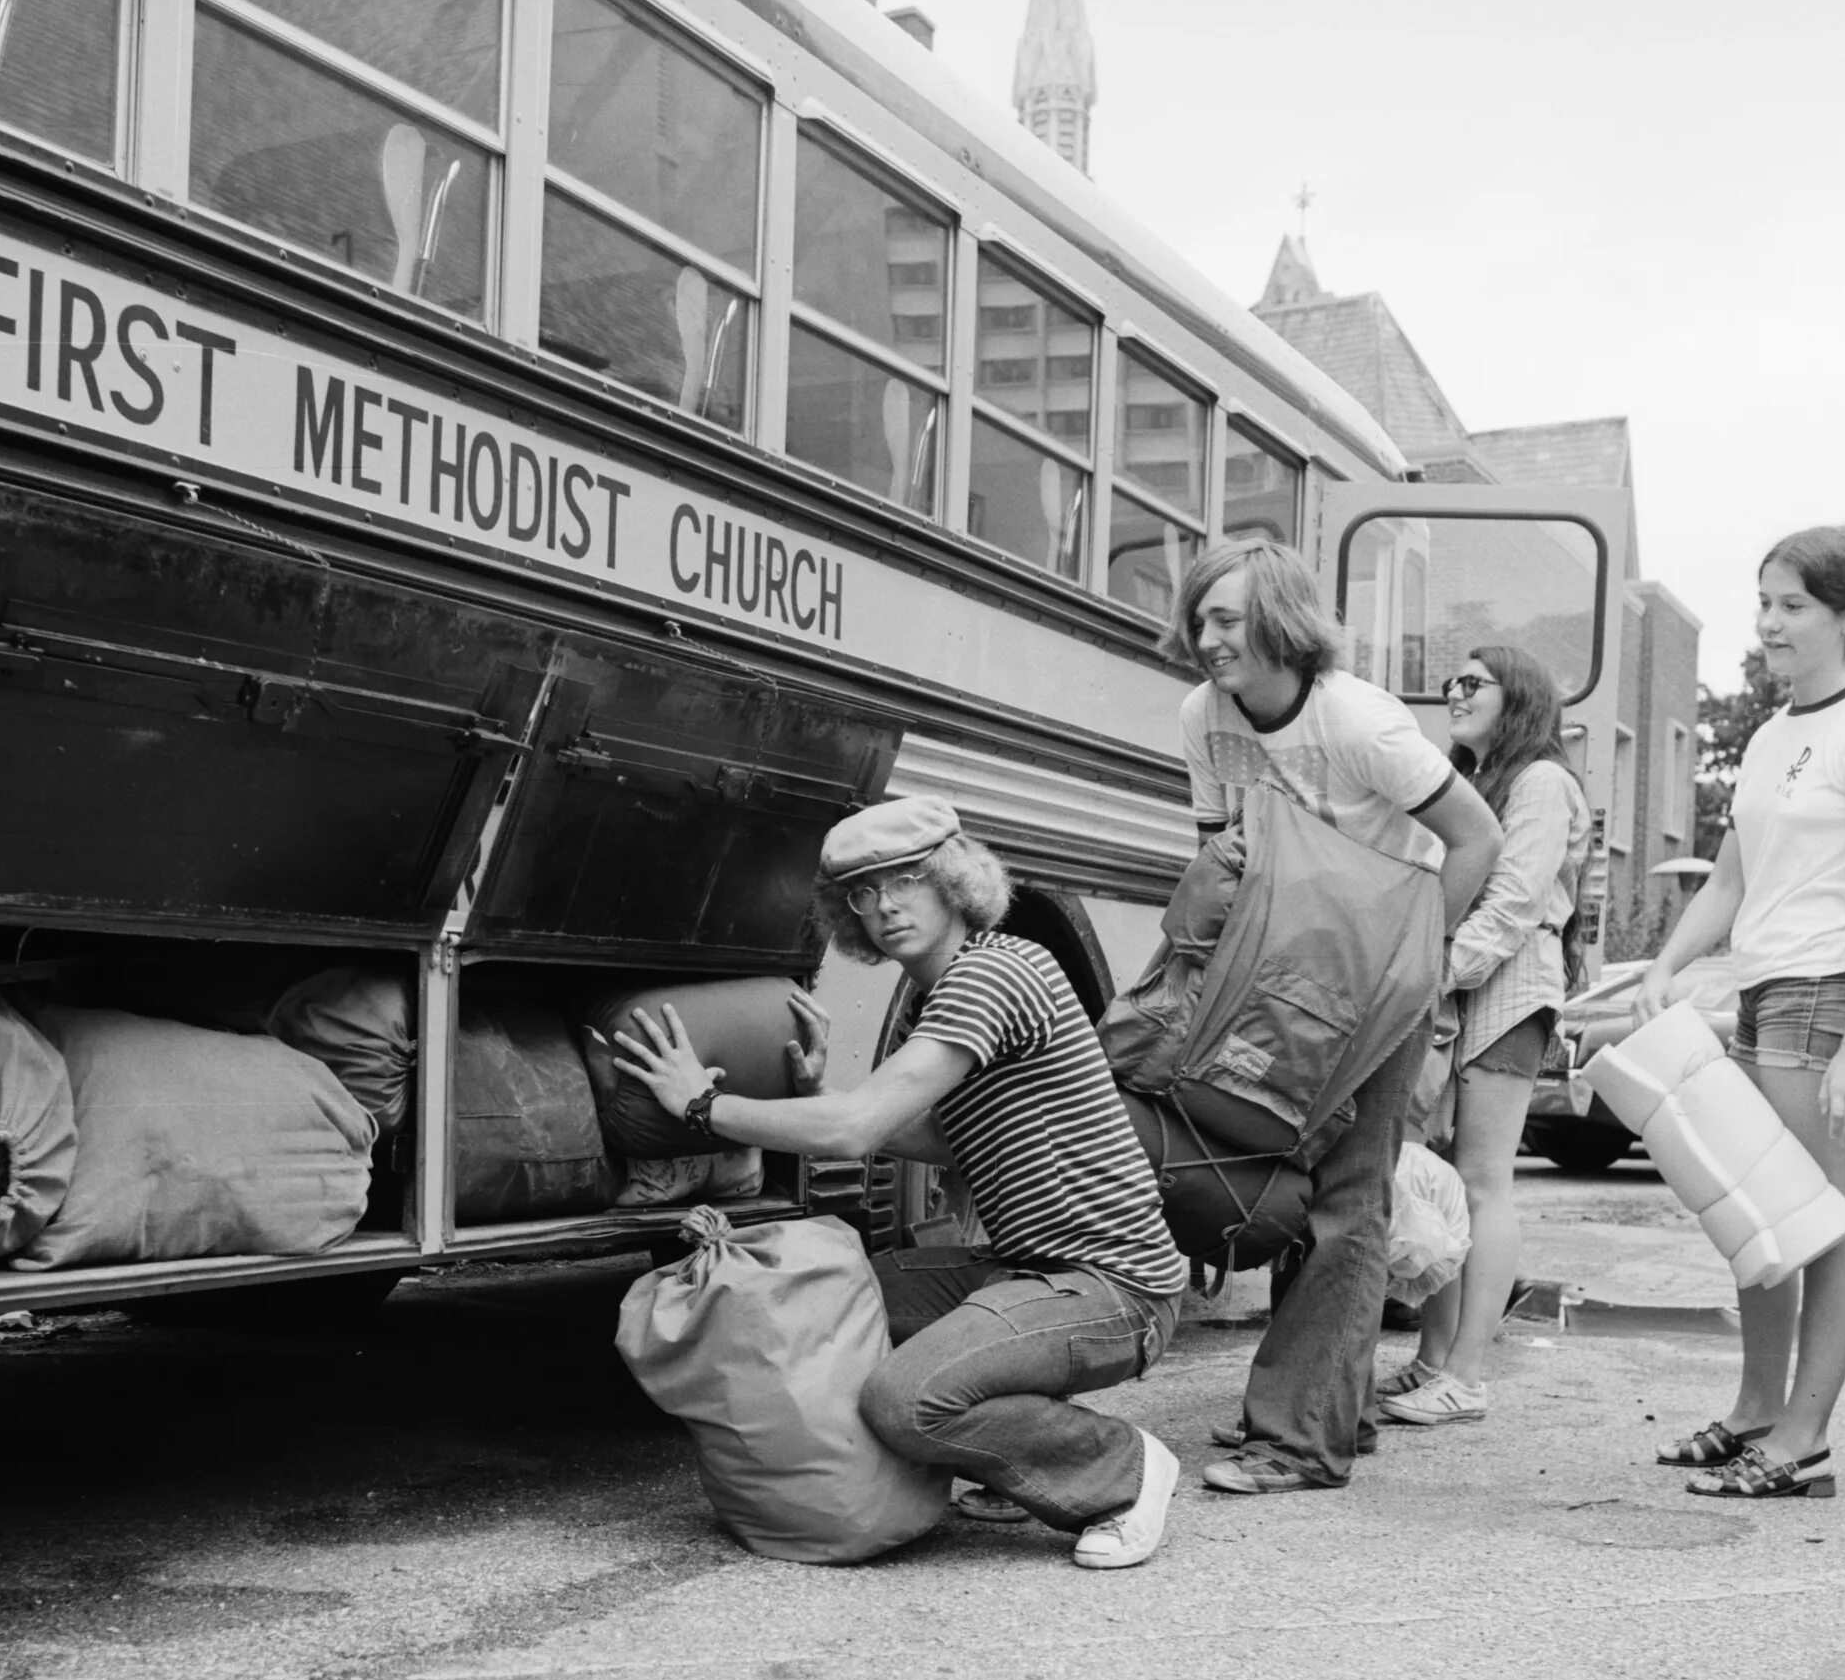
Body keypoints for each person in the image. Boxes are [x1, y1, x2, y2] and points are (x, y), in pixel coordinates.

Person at [609, 797, 1187, 1570]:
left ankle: (1121, 1471)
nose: (884, 906)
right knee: (835, 1300)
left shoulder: (997, 972)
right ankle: (1009, 1452)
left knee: (904, 1399)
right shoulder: (936, 992)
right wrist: (818, 1098)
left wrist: (703, 1104)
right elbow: (944, 1141)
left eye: (906, 879)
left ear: (954, 881)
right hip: (1026, 1271)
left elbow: (859, 1132)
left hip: (1114, 1290)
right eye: (862, 892)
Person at [1173, 538, 1503, 1493]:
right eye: (1199, 619)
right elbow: (1217, 851)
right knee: (1284, 1175)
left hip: (1377, 976)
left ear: (1281, 621)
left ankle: (1301, 1441)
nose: (1207, 638)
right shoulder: (1204, 714)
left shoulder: (1358, 718)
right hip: (1282, 978)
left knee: (1346, 1199)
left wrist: (1417, 964)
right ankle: (1333, 1409)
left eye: (1227, 619)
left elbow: (1474, 836)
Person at [1636, 525, 1845, 1499]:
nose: (1769, 622)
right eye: (1764, 601)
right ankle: (1758, 1409)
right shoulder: (1769, 735)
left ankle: (1803, 1439)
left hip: (1827, 992)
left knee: (1824, 1220)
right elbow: (1729, 880)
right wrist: (1665, 963)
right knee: (1760, 1214)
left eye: (1793, 604)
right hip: (1763, 993)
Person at [1380, 643, 1592, 1425]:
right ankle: (1432, 1360)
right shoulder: (1468, 781)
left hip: (1507, 992)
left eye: (1473, 683)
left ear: (1522, 696)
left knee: (1483, 1179)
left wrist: (1429, 975)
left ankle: (1466, 1375)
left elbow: (1513, 902)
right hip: (1459, 994)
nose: (1454, 695)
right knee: (1437, 1176)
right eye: (1449, 685)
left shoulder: (1541, 780)